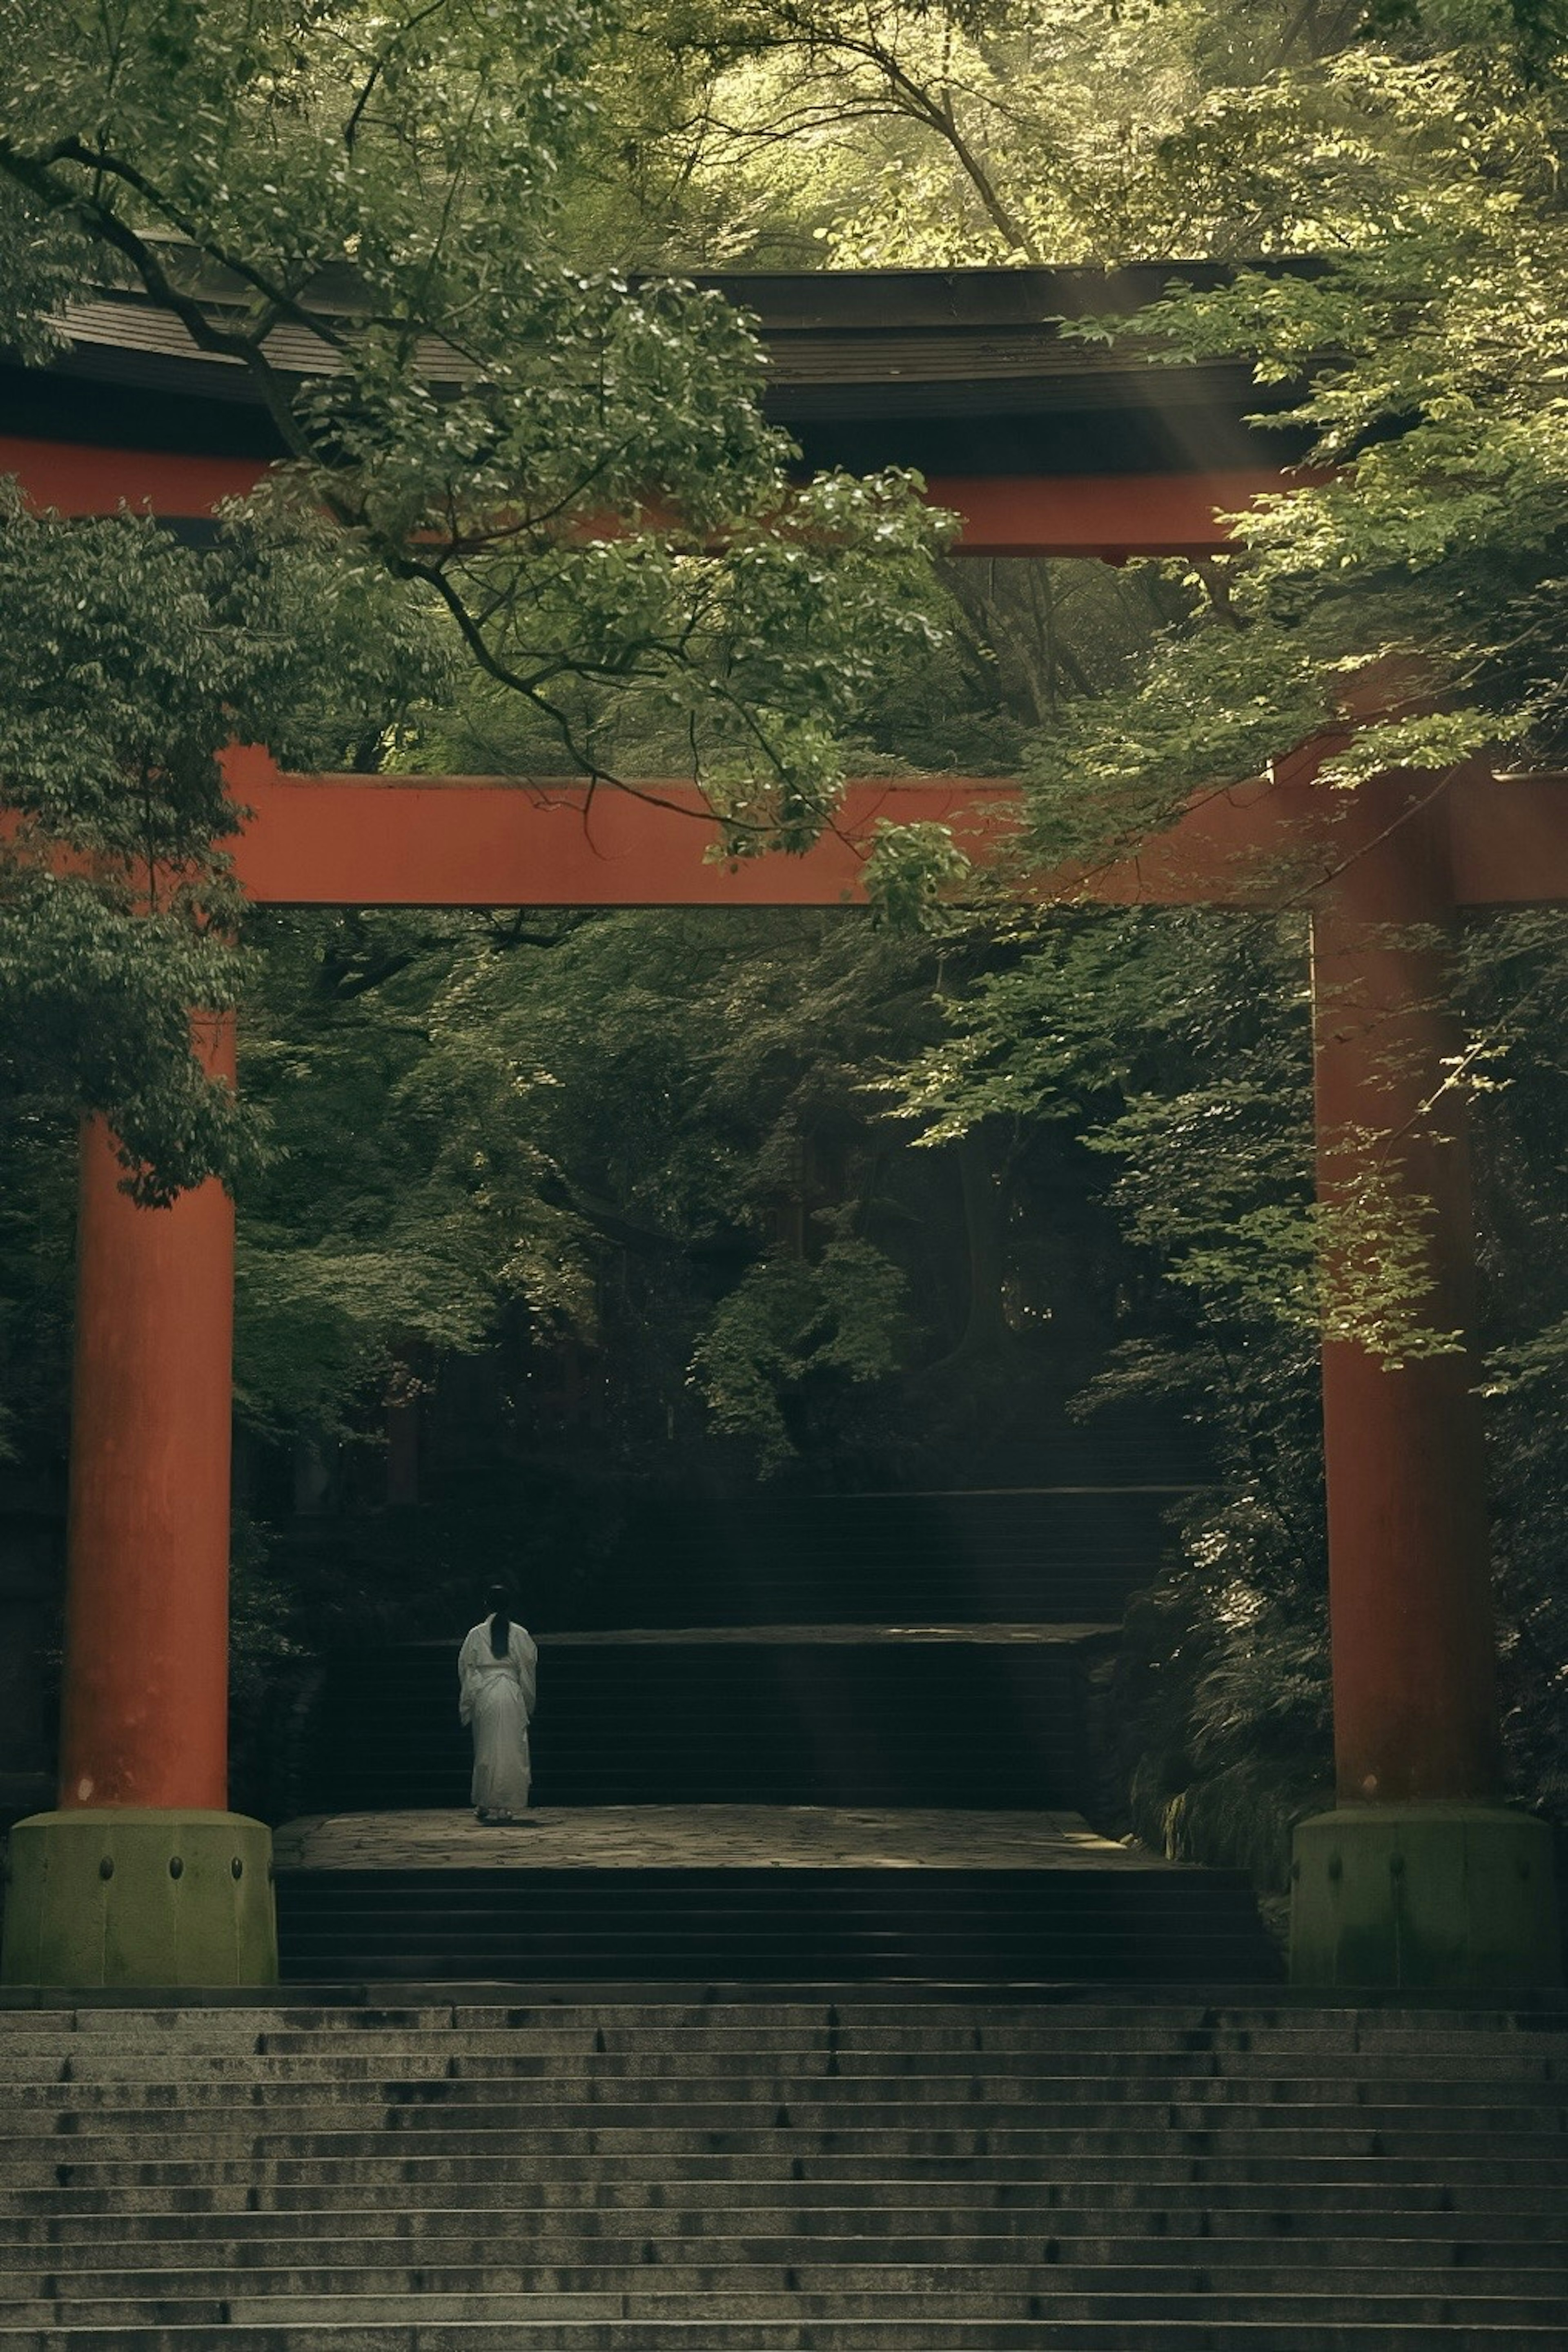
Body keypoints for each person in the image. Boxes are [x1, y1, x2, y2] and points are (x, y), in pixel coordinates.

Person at [457, 1586, 538, 1824]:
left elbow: (466, 1667)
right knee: (510, 1749)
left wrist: (470, 1695)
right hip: (511, 1692)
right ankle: (504, 1805)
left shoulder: (476, 1634)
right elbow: (528, 1666)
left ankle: (484, 1802)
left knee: (486, 1748)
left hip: (485, 1693)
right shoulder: (521, 1634)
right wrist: (526, 1698)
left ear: (486, 1605)